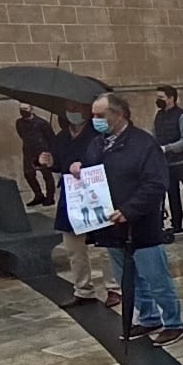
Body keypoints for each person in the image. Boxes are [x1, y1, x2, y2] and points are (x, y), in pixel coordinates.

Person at [76, 93, 183, 345]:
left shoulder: (143, 144)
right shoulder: (97, 144)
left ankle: (174, 322)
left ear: (119, 115)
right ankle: (148, 317)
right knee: (129, 279)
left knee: (156, 277)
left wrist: (131, 209)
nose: (95, 120)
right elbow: (92, 173)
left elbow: (156, 183)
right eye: (93, 115)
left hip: (142, 225)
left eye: (100, 115)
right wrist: (78, 168)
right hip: (111, 225)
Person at [43, 108, 118, 308]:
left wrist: (84, 165)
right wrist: (49, 162)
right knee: (73, 247)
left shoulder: (99, 135)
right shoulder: (62, 137)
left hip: (97, 193)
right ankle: (83, 289)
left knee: (107, 244)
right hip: (72, 196)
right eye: (68, 108)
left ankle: (114, 287)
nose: (72, 112)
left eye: (76, 108)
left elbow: (109, 160)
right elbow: (58, 163)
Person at [151, 85, 183, 237]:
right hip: (166, 163)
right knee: (172, 194)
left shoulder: (182, 117)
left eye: (161, 97)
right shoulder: (159, 116)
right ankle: (176, 225)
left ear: (171, 98)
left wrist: (167, 148)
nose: (158, 100)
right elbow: (155, 135)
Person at [15, 102, 55, 207]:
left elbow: (51, 138)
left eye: (26, 109)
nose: (23, 112)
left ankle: (50, 197)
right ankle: (38, 195)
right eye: (21, 110)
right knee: (29, 174)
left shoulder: (42, 123)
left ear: (31, 109)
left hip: (42, 152)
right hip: (28, 152)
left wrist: (49, 152)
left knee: (47, 175)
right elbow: (21, 135)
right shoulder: (19, 123)